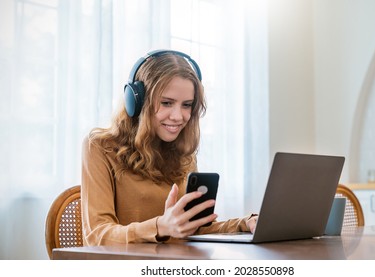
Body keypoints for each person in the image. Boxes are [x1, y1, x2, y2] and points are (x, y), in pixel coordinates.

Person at [81, 50, 258, 245]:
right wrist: (160, 227)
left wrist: (245, 223)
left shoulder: (183, 153)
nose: (178, 116)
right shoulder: (100, 147)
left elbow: (194, 228)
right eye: (166, 103)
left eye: (187, 105)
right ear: (137, 102)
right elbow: (97, 235)